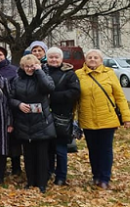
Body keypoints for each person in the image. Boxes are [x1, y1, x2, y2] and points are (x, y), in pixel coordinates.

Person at [75, 49, 130, 190]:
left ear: (101, 60)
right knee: (93, 150)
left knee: (106, 149)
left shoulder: (109, 74)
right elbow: (74, 99)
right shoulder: (78, 75)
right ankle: (96, 175)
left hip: (107, 118)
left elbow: (119, 97)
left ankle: (105, 178)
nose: (93, 59)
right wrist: (70, 121)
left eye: (96, 57)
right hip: (87, 119)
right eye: (90, 57)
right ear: (85, 60)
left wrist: (127, 117)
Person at [9, 55, 56, 193]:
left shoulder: (43, 77)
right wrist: (19, 105)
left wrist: (39, 72)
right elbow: (10, 98)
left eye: (32, 66)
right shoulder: (17, 80)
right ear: (22, 67)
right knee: (28, 155)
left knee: (42, 155)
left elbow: (49, 88)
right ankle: (30, 181)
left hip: (41, 122)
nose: (29, 69)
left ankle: (42, 183)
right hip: (24, 121)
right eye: (27, 66)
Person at [46, 47, 81, 186]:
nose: (54, 60)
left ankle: (61, 176)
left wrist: (54, 97)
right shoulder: (42, 72)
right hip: (44, 115)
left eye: (56, 57)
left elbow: (75, 92)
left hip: (62, 115)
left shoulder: (69, 74)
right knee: (47, 148)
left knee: (60, 149)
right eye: (51, 57)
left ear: (61, 59)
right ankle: (48, 172)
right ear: (47, 59)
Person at [0, 46, 20, 174]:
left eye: (0, 54)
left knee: (12, 140)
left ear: (5, 56)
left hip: (9, 108)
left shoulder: (13, 70)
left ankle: (16, 167)